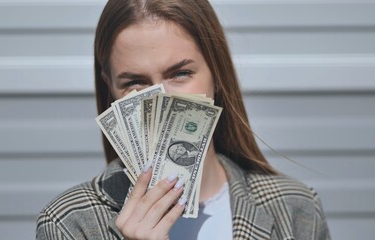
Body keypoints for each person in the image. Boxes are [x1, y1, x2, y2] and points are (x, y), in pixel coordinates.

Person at [36, 0, 331, 239]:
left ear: (217, 75)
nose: (161, 99)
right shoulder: (69, 223)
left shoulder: (295, 207)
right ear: (111, 90)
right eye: (134, 83)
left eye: (180, 73)